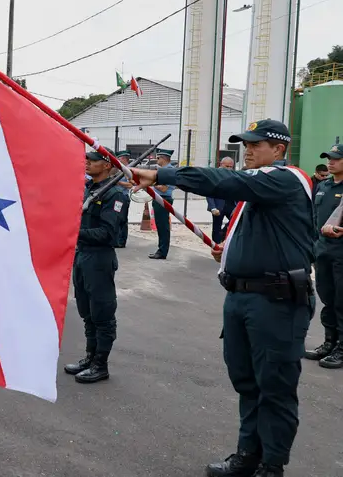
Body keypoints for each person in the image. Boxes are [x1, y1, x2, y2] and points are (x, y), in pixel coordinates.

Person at [131, 119, 315, 477]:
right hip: (243, 298)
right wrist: (229, 251)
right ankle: (248, 454)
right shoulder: (258, 192)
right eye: (245, 143)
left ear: (279, 149)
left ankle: (271, 465)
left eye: (256, 144)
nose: (247, 149)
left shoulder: (284, 178)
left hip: (275, 302)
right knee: (246, 382)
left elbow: (225, 181)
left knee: (274, 387)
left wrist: (161, 175)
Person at [64, 147, 122, 384]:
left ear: (107, 164)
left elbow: (108, 234)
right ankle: (90, 357)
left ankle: (101, 364)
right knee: (86, 311)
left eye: (93, 160)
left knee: (102, 313)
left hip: (99, 259)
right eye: (87, 159)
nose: (87, 162)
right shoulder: (89, 188)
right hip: (82, 256)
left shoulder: (115, 194)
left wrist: (74, 232)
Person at [305, 143, 343, 368]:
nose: (331, 161)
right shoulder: (323, 186)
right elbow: (312, 218)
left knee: (341, 301)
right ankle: (330, 342)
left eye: (336, 158)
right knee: (327, 298)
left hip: (341, 253)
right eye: (329, 158)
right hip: (323, 252)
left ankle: (342, 348)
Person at [149, 148, 175, 260]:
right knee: (160, 226)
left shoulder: (169, 171)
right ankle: (160, 250)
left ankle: (162, 251)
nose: (156, 160)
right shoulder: (164, 170)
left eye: (158, 158)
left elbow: (164, 188)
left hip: (163, 199)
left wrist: (151, 183)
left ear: (164, 158)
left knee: (163, 226)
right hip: (159, 199)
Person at [206, 156, 238, 245]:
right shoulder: (214, 175)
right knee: (216, 228)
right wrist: (212, 207)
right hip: (218, 207)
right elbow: (209, 193)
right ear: (221, 165)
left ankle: (223, 235)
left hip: (231, 205)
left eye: (231, 166)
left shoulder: (234, 175)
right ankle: (216, 246)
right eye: (226, 166)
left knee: (235, 222)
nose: (229, 168)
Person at [114, 150, 132, 248]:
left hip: (123, 197)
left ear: (124, 159)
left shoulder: (128, 170)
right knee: (117, 218)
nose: (117, 160)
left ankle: (122, 241)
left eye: (119, 158)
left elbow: (130, 185)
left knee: (123, 219)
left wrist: (118, 183)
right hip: (117, 197)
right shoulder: (119, 169)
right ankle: (117, 239)